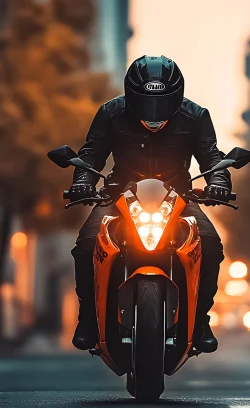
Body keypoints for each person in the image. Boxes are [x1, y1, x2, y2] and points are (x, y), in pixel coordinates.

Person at [70, 55, 232, 353]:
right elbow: (91, 153)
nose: (154, 112)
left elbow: (213, 157)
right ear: (131, 95)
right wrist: (82, 181)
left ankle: (200, 321)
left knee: (210, 245)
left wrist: (219, 184)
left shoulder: (196, 116)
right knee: (86, 245)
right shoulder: (110, 112)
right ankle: (88, 320)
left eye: (162, 101)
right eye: (145, 101)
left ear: (177, 95)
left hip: (179, 198)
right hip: (119, 196)